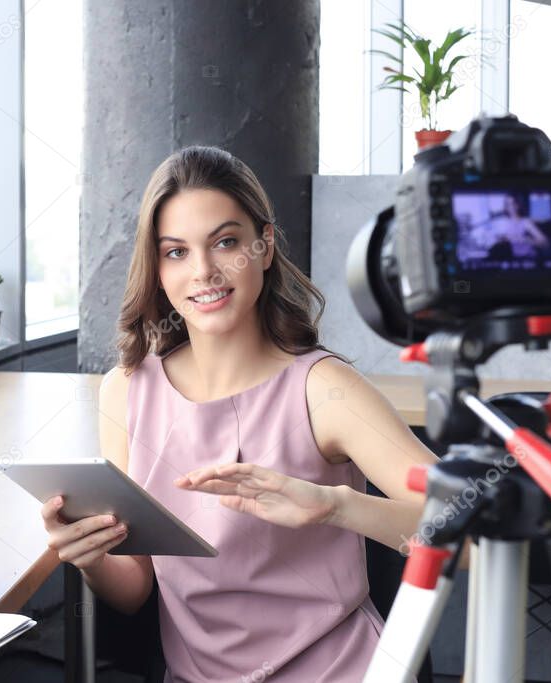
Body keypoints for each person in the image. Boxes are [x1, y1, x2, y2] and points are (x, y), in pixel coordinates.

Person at [41, 146, 439, 682]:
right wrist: (89, 556)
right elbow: (135, 588)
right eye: (176, 252)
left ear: (264, 247)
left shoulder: (324, 389)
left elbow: (459, 518)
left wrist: (332, 507)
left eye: (226, 243)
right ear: (157, 269)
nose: (204, 271)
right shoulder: (126, 391)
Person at [488, 194, 550, 258]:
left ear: (518, 205)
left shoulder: (525, 222)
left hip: (527, 258)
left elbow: (545, 242)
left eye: (513, 203)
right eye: (508, 204)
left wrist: (525, 240)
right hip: (510, 258)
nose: (511, 207)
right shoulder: (502, 222)